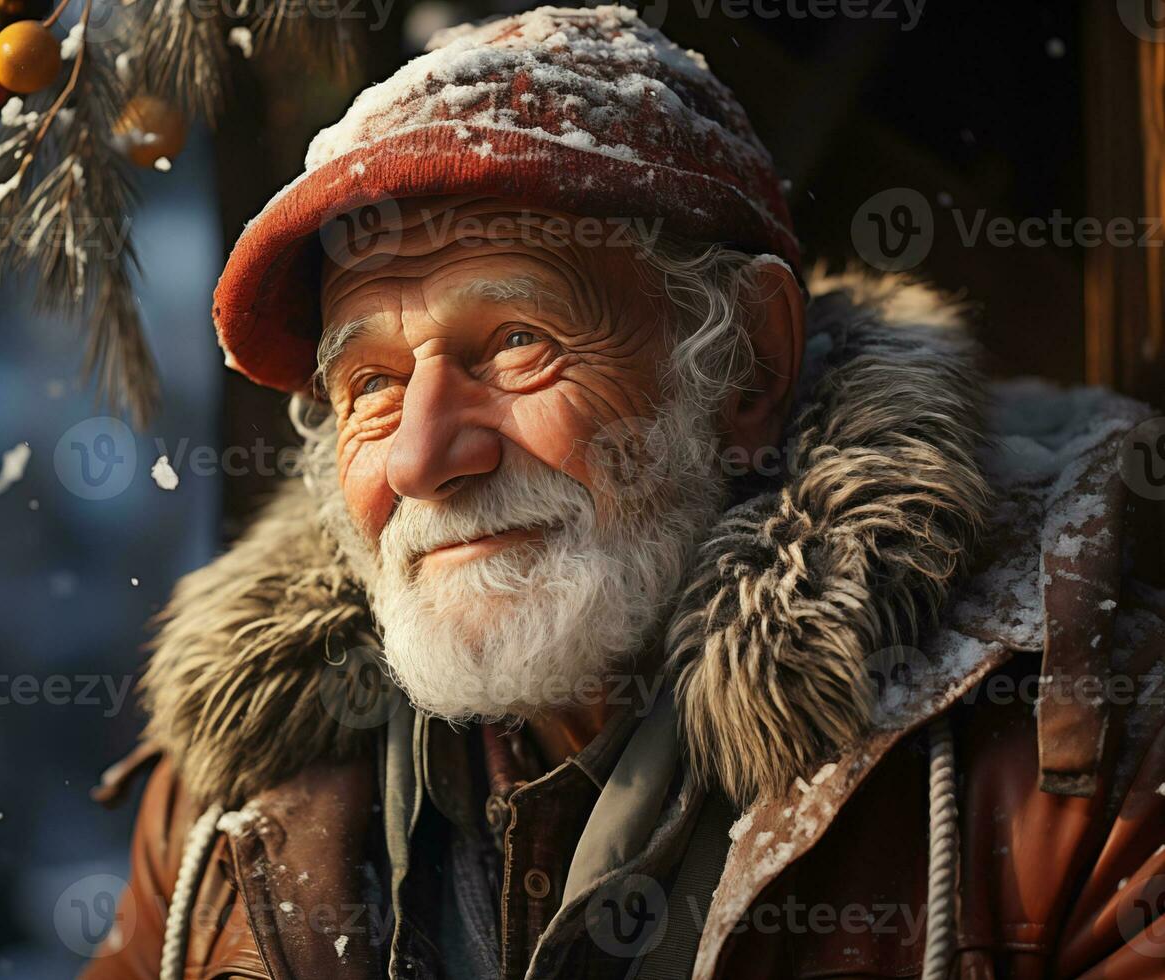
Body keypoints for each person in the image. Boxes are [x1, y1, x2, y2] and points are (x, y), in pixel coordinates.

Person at [83, 6, 1165, 977]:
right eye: (372, 383)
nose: (421, 457)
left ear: (748, 369)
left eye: (514, 342)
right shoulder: (232, 798)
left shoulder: (1069, 740)